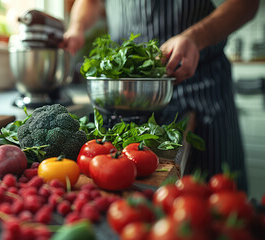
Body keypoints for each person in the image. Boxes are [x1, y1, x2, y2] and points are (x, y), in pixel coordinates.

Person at [62, 0, 259, 191]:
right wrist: (76, 28)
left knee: (219, 193)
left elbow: (247, 4)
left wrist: (195, 37)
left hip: (202, 87)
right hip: (128, 94)